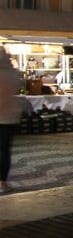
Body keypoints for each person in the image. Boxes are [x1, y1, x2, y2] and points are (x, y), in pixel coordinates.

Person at [0, 48, 23, 193]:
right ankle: (3, 181)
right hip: (10, 117)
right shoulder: (14, 74)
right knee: (5, 150)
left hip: (3, 117)